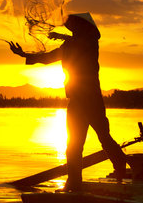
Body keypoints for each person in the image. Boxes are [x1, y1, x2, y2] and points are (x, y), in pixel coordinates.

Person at [9, 13, 126, 190]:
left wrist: (61, 36)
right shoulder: (70, 45)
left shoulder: (90, 43)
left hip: (92, 100)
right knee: (73, 144)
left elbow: (80, 43)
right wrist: (24, 54)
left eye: (76, 26)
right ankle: (74, 182)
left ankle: (120, 166)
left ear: (85, 28)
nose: (72, 28)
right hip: (76, 100)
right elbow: (48, 57)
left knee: (104, 137)